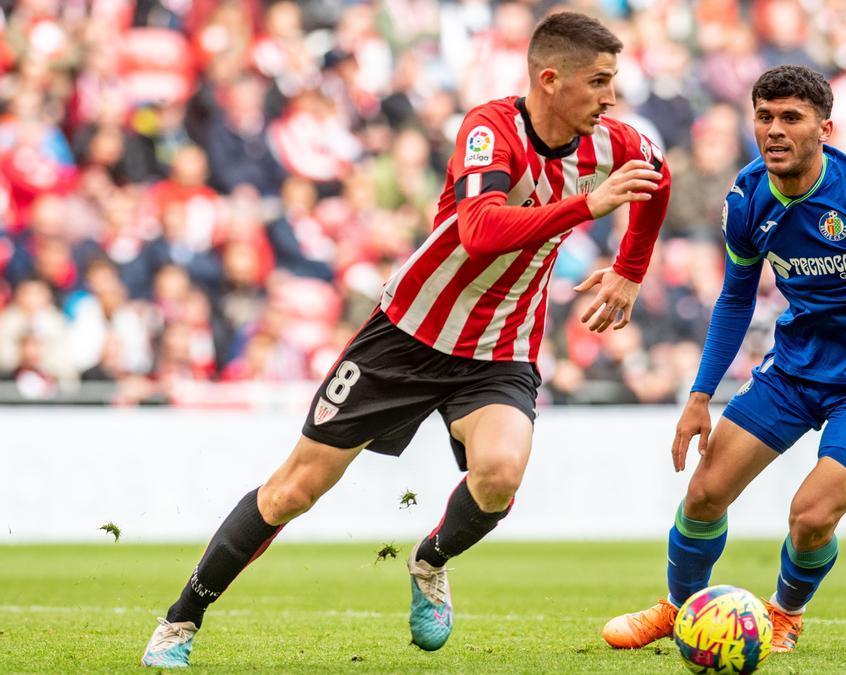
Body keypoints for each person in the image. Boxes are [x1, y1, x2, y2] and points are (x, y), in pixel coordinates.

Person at [141, 12, 671, 667]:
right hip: (408, 333)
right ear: (550, 79)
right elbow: (479, 230)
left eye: (613, 81)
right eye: (598, 81)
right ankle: (181, 619)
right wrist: (588, 208)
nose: (610, 95)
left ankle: (430, 559)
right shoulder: (490, 129)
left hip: (498, 348)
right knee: (292, 491)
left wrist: (629, 271)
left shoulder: (613, 143)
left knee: (500, 475)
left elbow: (658, 178)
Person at [601, 65, 846, 654]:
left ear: (825, 128)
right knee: (705, 493)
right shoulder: (747, 197)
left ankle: (785, 613)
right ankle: (680, 607)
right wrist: (700, 395)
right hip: (796, 367)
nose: (775, 131)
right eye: (764, 117)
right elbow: (735, 300)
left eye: (791, 118)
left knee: (810, 516)